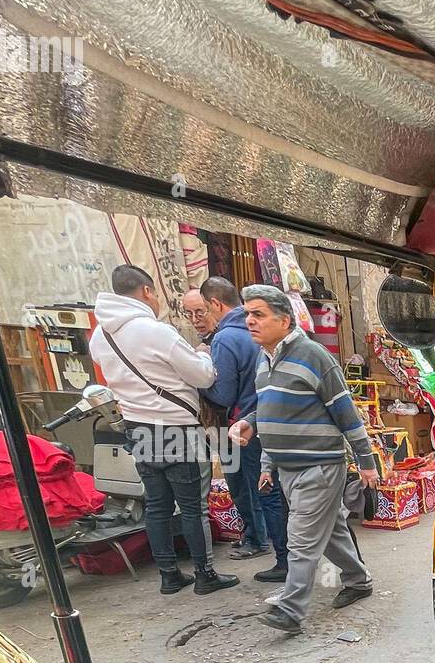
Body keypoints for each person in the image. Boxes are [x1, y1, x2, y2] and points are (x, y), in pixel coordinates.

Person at [229, 285, 378, 635]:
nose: (250, 321)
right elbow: (269, 413)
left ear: (284, 320)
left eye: (259, 314)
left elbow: (346, 412)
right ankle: (359, 580)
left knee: (301, 539)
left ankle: (291, 609)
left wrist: (366, 461)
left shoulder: (313, 355)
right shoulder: (264, 361)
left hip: (321, 467)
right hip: (288, 470)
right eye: (248, 313)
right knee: (330, 534)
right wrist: (260, 448)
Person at [89, 265, 237, 596]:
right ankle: (204, 574)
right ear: (146, 292)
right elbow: (204, 377)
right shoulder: (155, 331)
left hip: (138, 429)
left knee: (156, 505)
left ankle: (169, 575)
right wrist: (202, 355)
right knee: (193, 507)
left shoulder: (101, 335)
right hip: (177, 430)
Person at [200, 276, 289, 574]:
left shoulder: (228, 338)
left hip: (246, 428)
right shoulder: (261, 342)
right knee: (273, 489)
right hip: (263, 422)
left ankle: (278, 555)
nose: (251, 321)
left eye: (202, 311)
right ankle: (288, 558)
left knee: (259, 489)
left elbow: (224, 394)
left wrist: (197, 381)